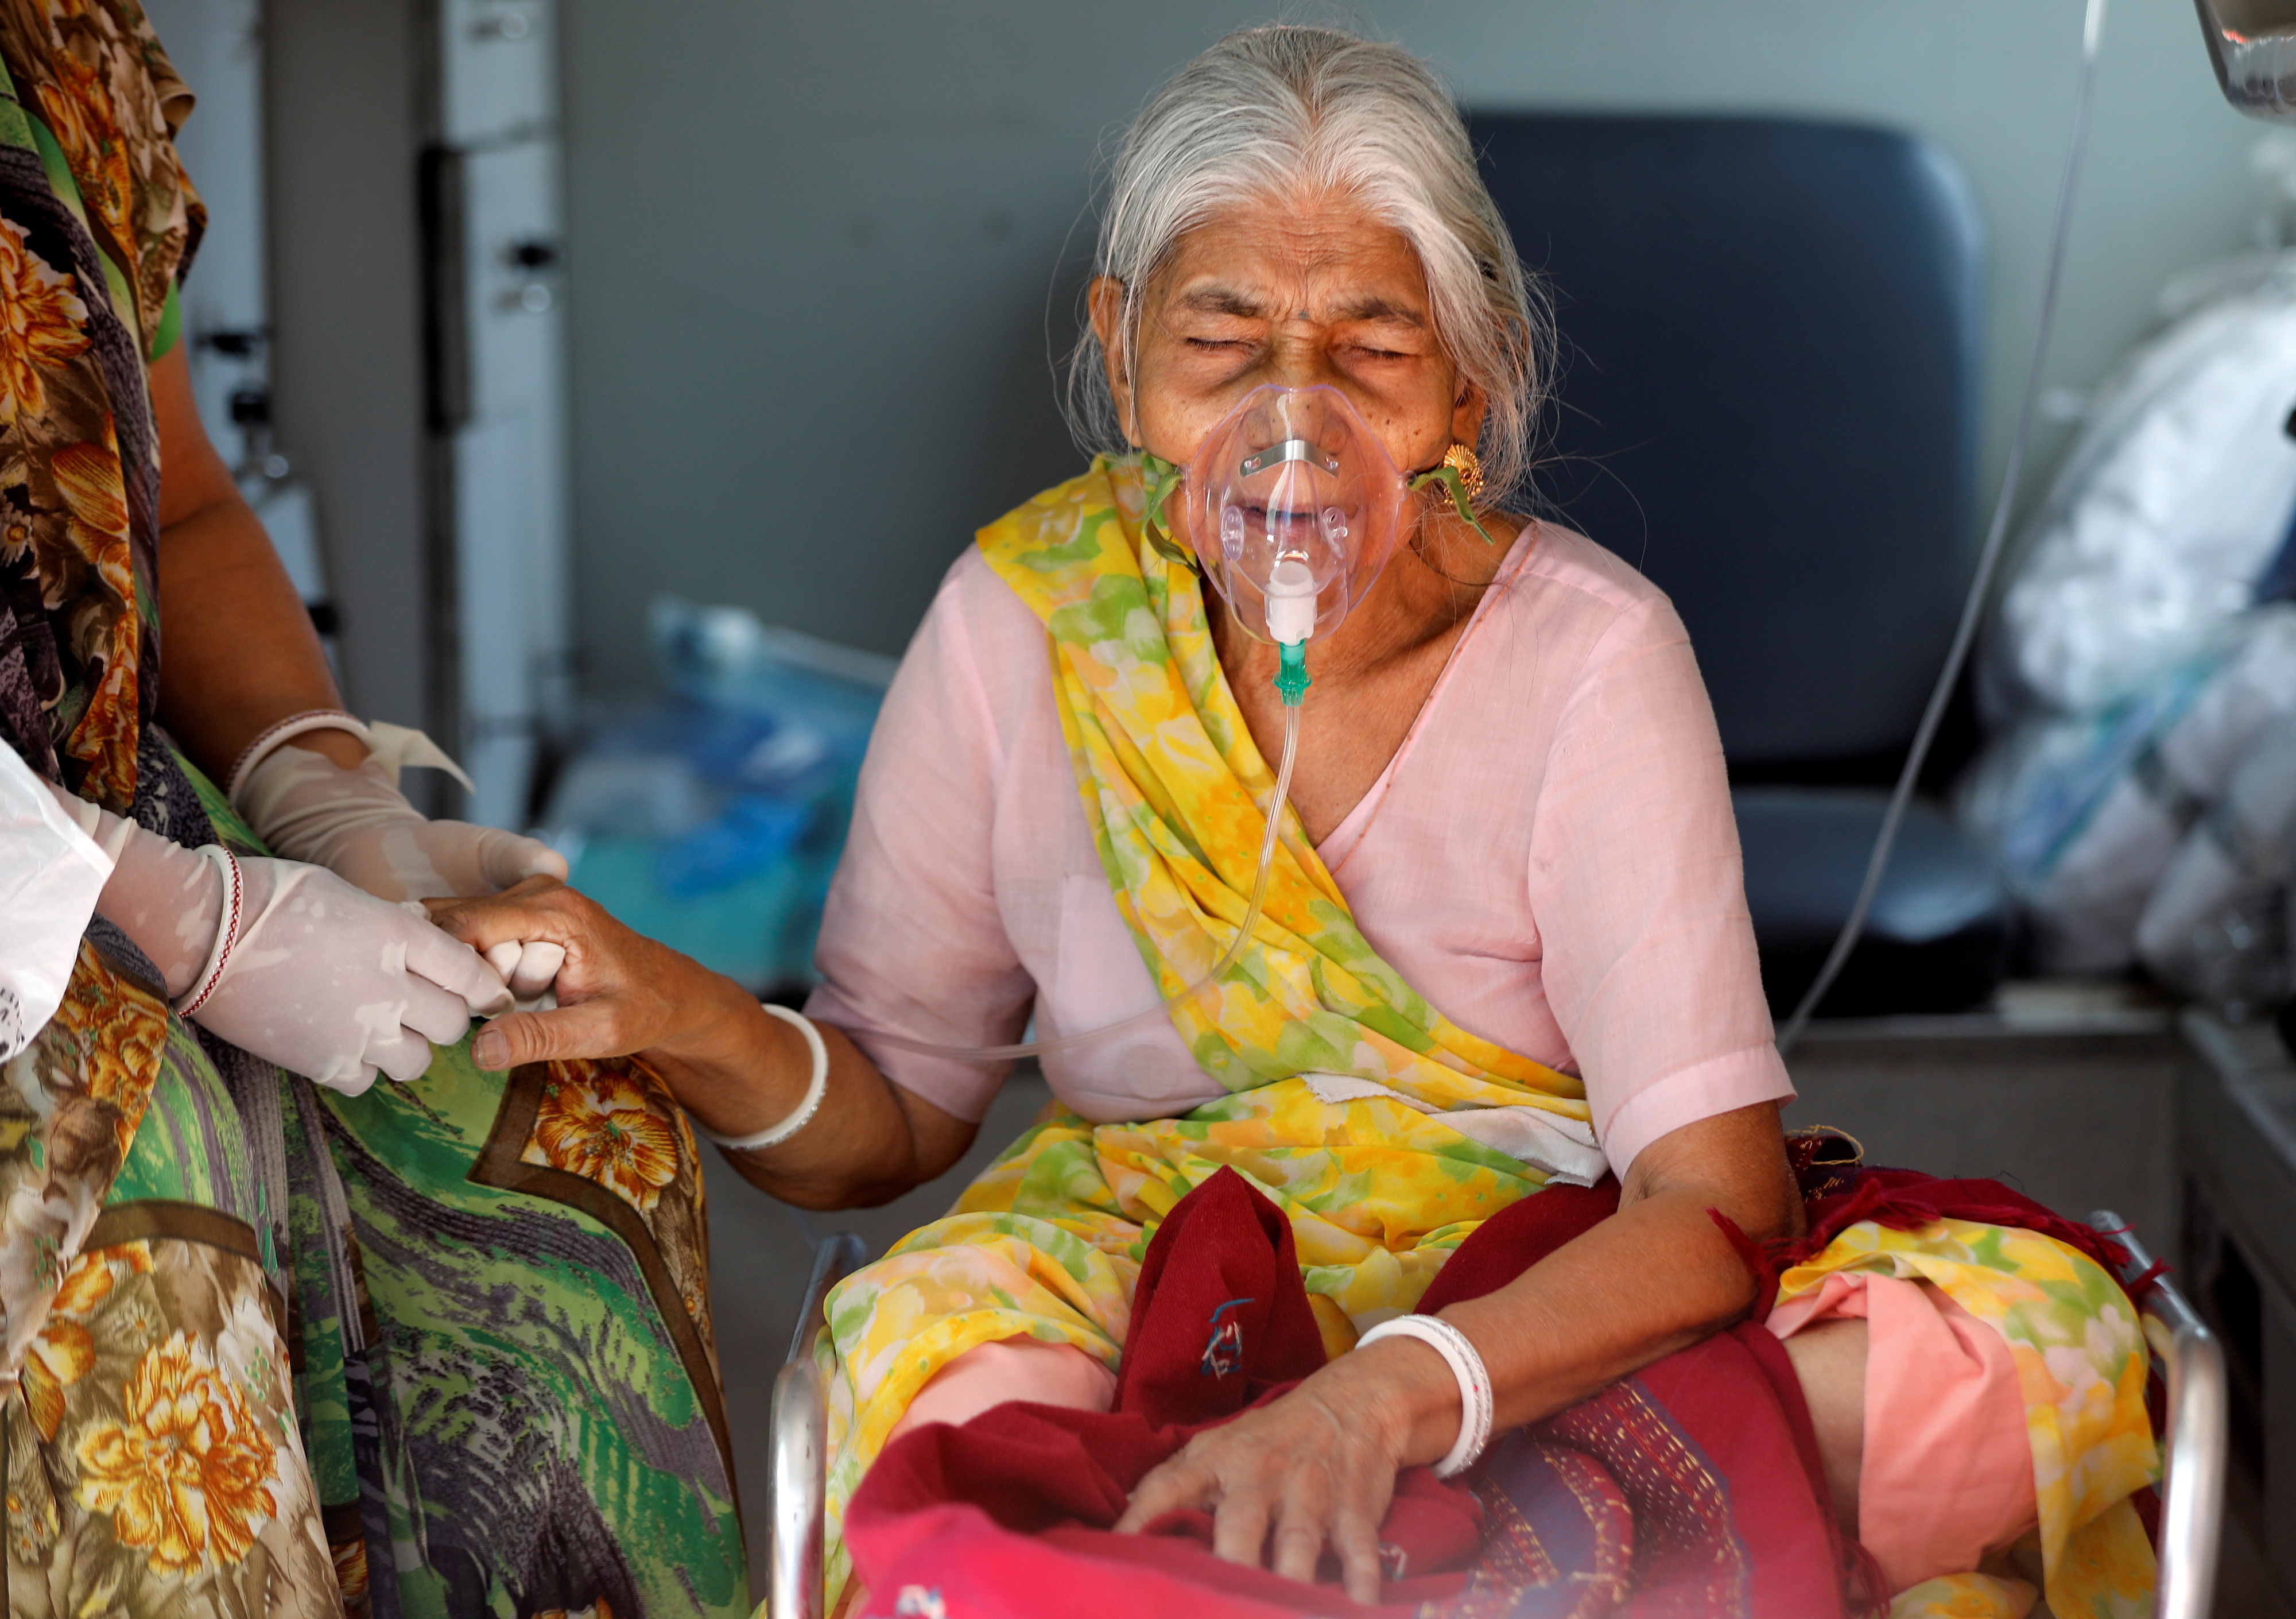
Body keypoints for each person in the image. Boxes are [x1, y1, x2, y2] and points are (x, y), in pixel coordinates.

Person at [432, 27, 2158, 1618]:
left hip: (1541, 1269)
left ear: (1473, 388)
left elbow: (1709, 1200)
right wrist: (683, 1011)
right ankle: (1526, 1541)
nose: (1290, 426)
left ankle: (1325, 1537)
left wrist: (1390, 1394)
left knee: (2034, 1354)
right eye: (1221, 346)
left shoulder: (1591, 651)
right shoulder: (1025, 617)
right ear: (1122, 361)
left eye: (1375, 352)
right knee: (931, 1392)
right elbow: (893, 1111)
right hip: (1149, 1241)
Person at [0, 2, 745, 1613]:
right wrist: (178, 916)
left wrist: (320, 790)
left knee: (567, 1118)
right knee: (148, 1197)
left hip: (107, 805)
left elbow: (177, 498)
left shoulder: (65, 52)